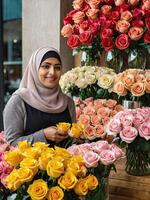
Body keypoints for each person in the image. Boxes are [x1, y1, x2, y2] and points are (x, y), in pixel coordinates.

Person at [3, 47, 76, 146]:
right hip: (29, 161)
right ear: (34, 68)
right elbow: (11, 143)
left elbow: (73, 140)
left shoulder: (67, 102)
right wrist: (43, 135)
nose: (52, 72)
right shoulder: (19, 100)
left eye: (57, 67)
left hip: (68, 160)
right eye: (46, 66)